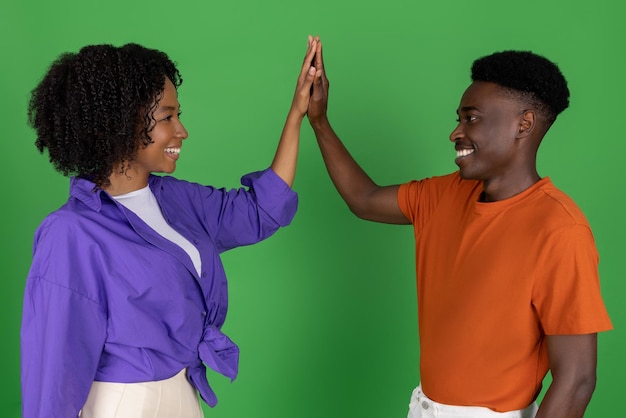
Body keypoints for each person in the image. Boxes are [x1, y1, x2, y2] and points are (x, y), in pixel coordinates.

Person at [21, 37, 322, 418]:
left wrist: (297, 114)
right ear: (120, 123)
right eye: (166, 117)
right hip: (124, 406)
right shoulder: (70, 233)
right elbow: (53, 372)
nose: (182, 131)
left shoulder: (176, 200)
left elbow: (260, 211)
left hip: (183, 397)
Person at [306, 43, 612, 417]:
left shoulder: (560, 229)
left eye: (472, 118)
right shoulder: (443, 195)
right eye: (459, 118)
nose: (456, 133)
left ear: (524, 124)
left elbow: (577, 378)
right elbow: (364, 198)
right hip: (424, 408)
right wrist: (319, 120)